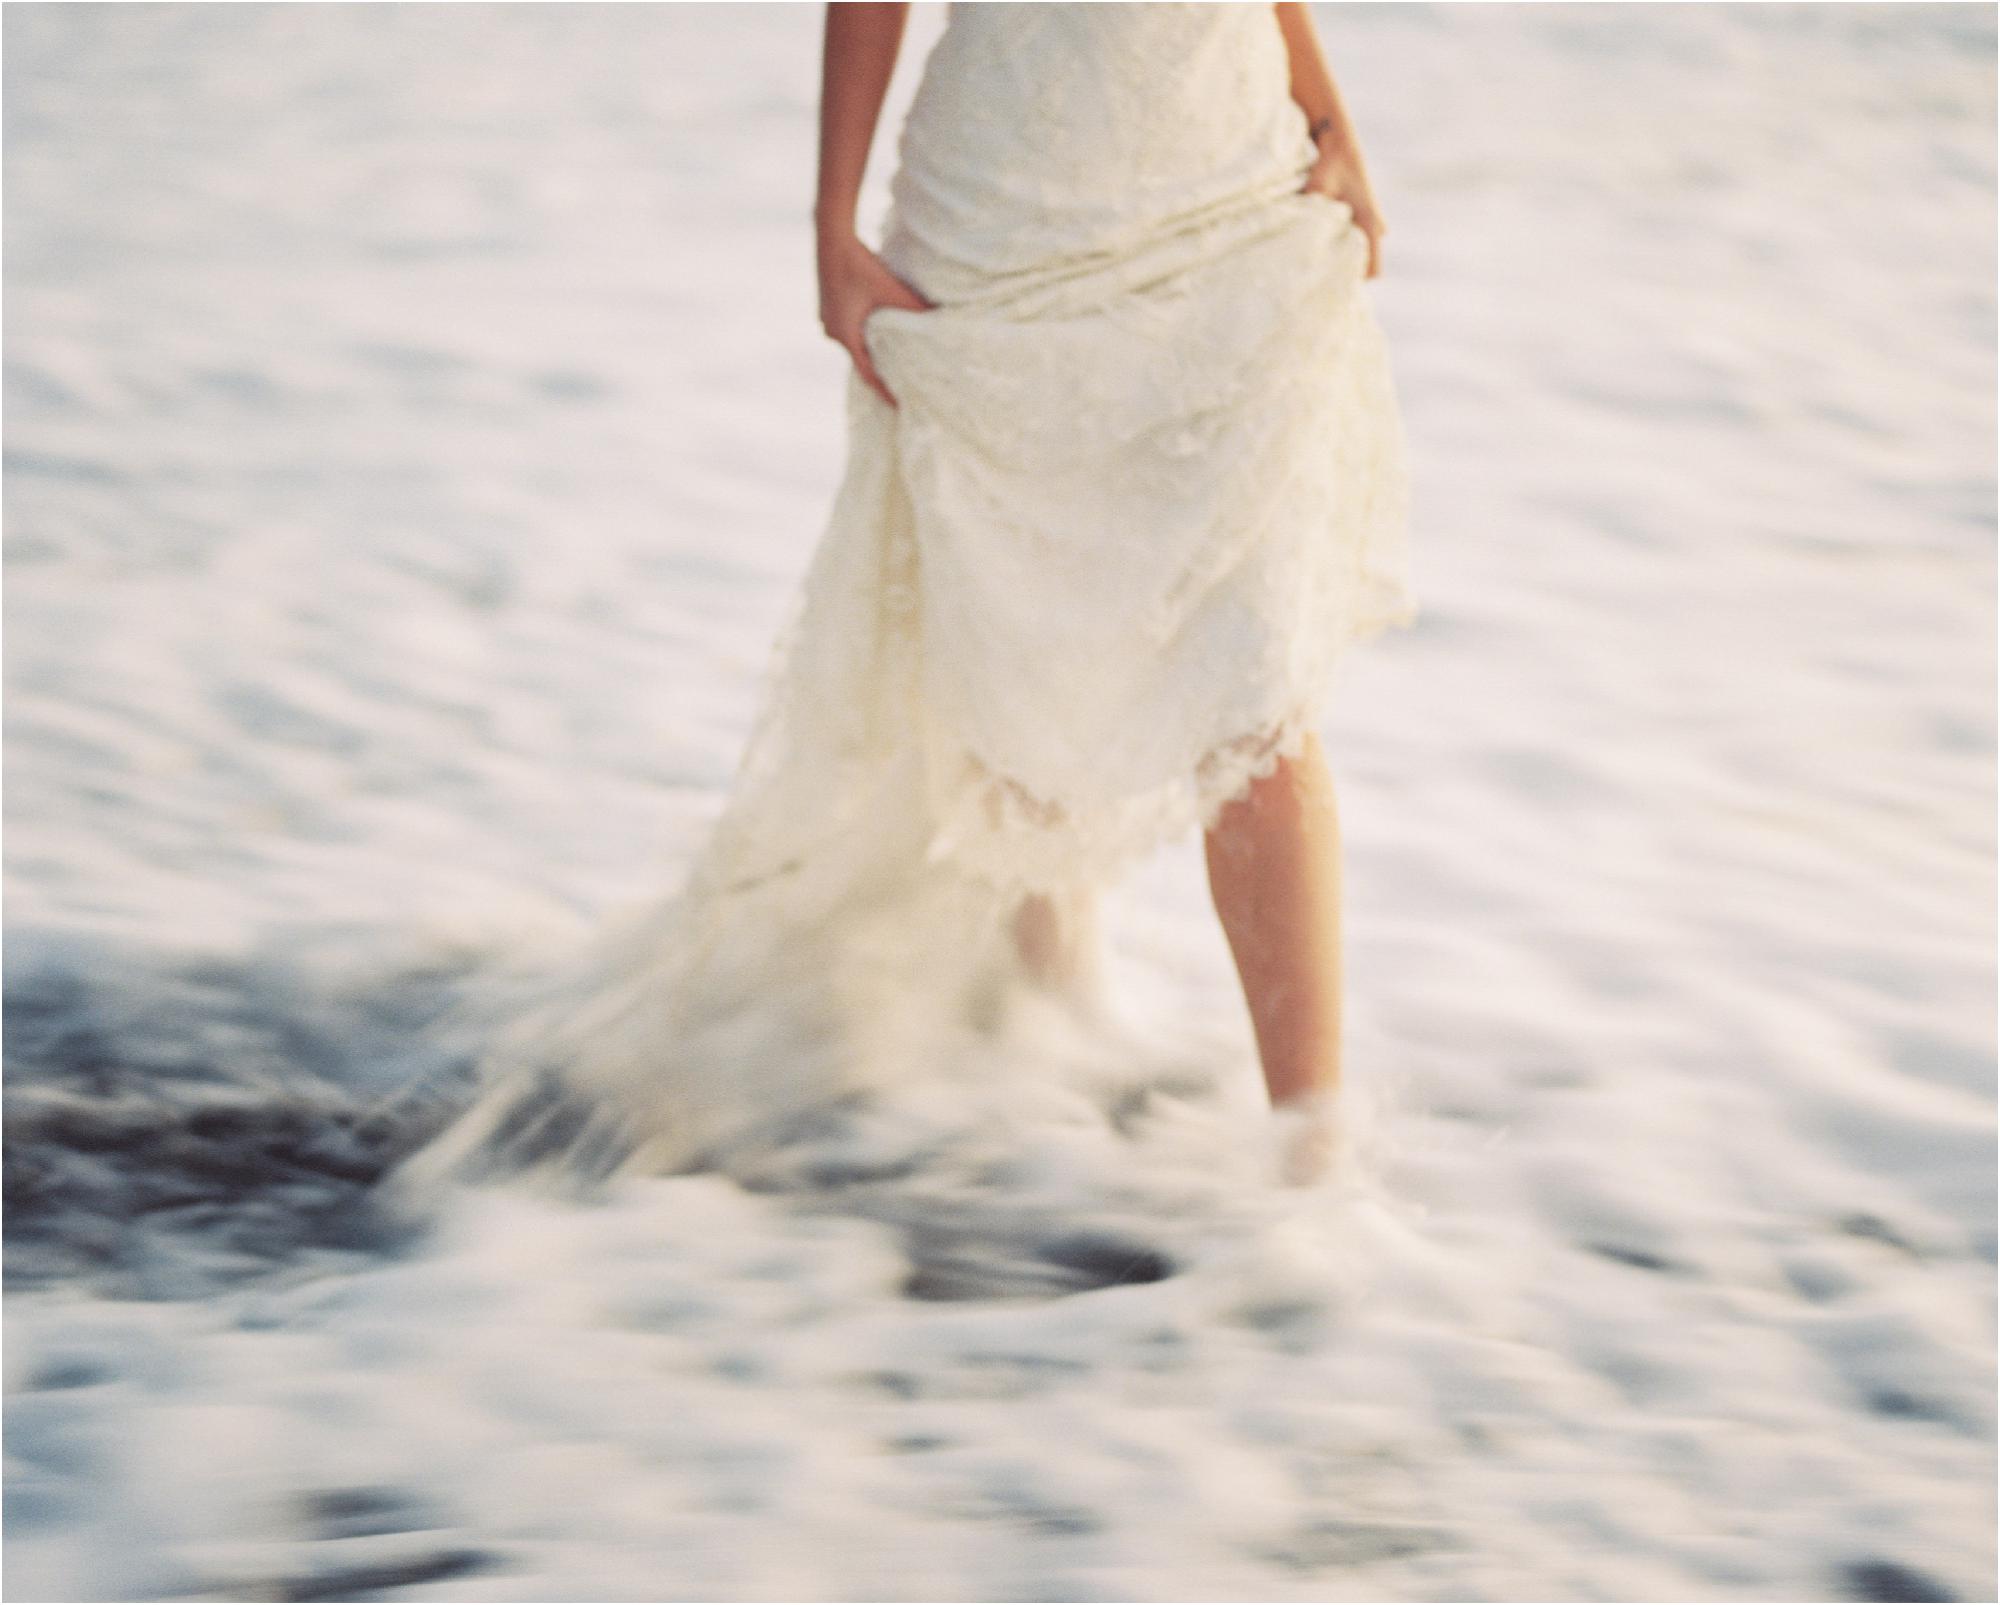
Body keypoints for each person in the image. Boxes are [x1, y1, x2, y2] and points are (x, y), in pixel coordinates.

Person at [388, 0, 1417, 1196]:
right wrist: (829, 222)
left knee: (1256, 692)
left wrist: (1326, 110)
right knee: (1023, 637)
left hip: (1231, 205)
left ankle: (1311, 1165)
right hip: (1009, 225)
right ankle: (1045, 1046)